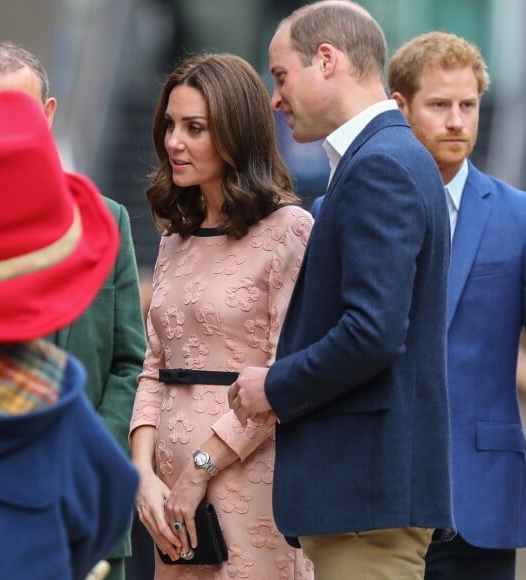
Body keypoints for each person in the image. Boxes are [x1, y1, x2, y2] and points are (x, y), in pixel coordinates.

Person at [227, 2, 455, 579]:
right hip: (365, 499)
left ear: (326, 60)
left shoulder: (380, 165)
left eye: (280, 75)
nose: (275, 98)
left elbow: (373, 332)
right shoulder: (386, 158)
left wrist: (274, 386)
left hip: (366, 499)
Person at [0, 42, 149, 580]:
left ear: (48, 115)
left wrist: (84, 453)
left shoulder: (106, 222)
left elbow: (131, 363)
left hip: (81, 511)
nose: (2, 134)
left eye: (15, 114)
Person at [129, 53, 314, 579]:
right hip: (167, 499)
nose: (173, 143)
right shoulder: (173, 241)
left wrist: (199, 469)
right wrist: (143, 474)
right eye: (170, 125)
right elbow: (152, 369)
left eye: (195, 128)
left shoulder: (289, 230)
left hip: (248, 481)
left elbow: (287, 374)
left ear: (236, 133)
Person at [388, 31, 526, 580]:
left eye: (468, 105)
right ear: (400, 107)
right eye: (440, 105)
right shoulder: (341, 210)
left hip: (482, 498)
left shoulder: (518, 217)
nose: (457, 121)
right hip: (380, 494)